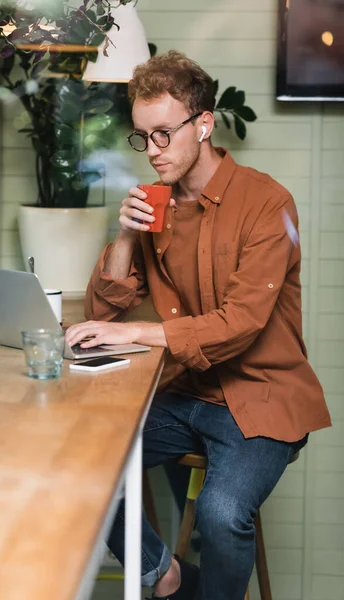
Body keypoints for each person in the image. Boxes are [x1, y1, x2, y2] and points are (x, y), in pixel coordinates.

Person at [65, 50, 331, 600]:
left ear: (203, 123)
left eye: (164, 133)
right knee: (82, 461)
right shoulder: (154, 205)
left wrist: (136, 335)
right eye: (143, 137)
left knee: (222, 510)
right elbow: (104, 313)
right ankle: (166, 577)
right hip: (187, 392)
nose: (153, 151)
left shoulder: (267, 203)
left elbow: (241, 322)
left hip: (262, 395)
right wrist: (125, 235)